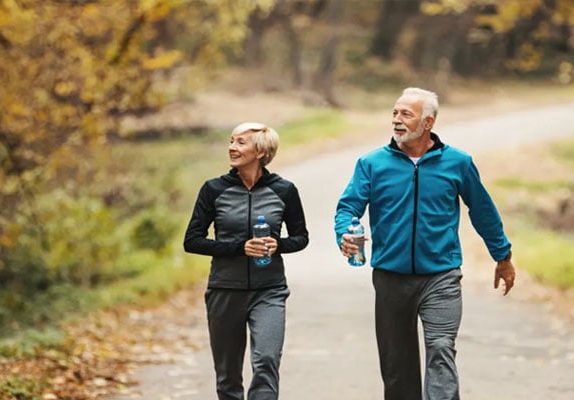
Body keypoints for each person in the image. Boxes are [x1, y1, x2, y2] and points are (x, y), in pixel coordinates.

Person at [334, 87, 515, 400]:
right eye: (394, 113)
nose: (397, 120)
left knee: (441, 348)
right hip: (390, 276)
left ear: (428, 122)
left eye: (406, 114)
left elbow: (482, 210)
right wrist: (344, 234)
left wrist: (502, 255)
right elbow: (348, 207)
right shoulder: (372, 163)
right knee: (397, 368)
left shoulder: (458, 162)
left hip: (441, 276)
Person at [184, 122, 309, 400]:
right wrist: (240, 248)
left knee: (266, 361)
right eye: (231, 141)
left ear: (261, 151)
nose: (232, 147)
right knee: (227, 374)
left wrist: (279, 245)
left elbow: (301, 237)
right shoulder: (214, 189)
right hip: (224, 290)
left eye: (241, 142)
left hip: (270, 290)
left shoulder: (284, 190)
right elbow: (192, 240)